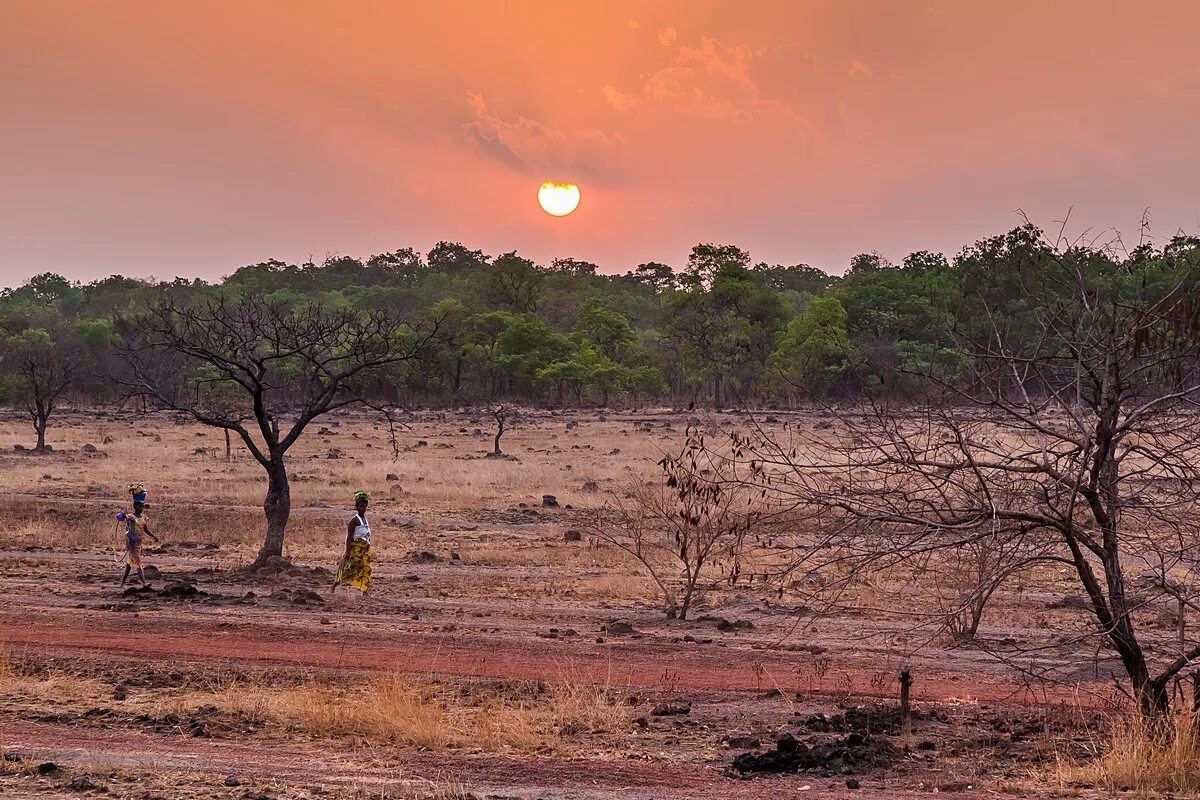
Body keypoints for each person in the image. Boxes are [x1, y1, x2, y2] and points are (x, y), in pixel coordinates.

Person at [333, 490, 372, 594]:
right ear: (356, 507)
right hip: (355, 549)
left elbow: (367, 535)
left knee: (365, 569)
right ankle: (335, 585)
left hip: (364, 549)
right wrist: (347, 552)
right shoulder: (354, 520)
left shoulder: (365, 520)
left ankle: (365, 590)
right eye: (360, 507)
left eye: (364, 506)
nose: (362, 508)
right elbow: (349, 537)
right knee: (347, 568)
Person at [120, 484, 158, 587]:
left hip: (139, 543)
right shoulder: (131, 517)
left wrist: (153, 536)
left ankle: (122, 583)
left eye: (142, 506)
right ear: (135, 506)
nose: (141, 508)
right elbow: (122, 517)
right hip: (132, 543)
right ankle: (144, 583)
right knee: (138, 562)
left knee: (129, 564)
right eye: (139, 506)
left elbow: (145, 529)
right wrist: (122, 516)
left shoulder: (143, 518)